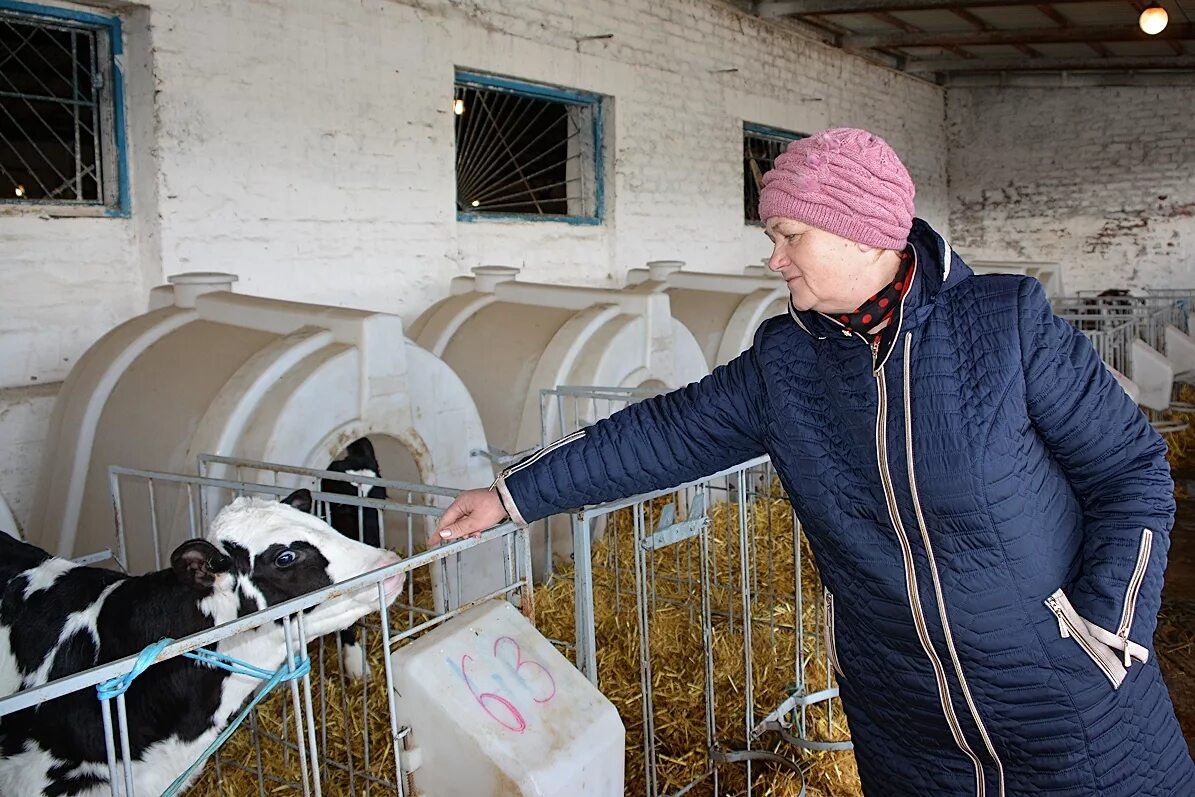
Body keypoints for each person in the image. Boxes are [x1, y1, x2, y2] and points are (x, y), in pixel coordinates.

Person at [433, 127, 1195, 796]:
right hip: (904, 710)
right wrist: (512, 494)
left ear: (864, 235)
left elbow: (1129, 469)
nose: (772, 259)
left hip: (1061, 692)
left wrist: (1107, 624)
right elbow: (664, 432)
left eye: (789, 234)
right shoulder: (785, 362)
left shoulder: (1004, 324)